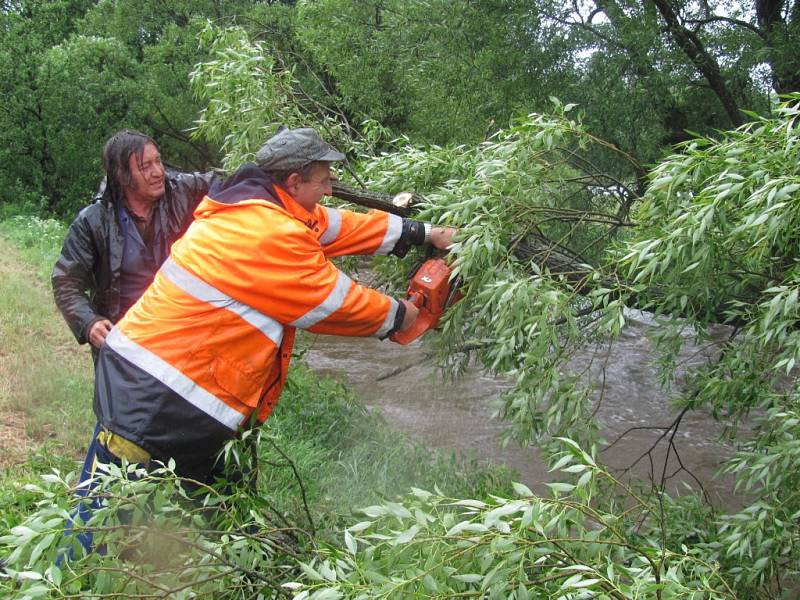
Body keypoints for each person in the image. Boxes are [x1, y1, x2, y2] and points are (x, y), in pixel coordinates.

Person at [66, 126, 455, 555]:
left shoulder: (262, 206)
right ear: (294, 181)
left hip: (172, 391)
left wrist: (423, 234)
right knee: (102, 515)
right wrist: (404, 316)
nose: (330, 188)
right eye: (324, 179)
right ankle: (62, 576)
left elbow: (340, 227)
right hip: (157, 397)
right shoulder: (270, 234)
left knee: (224, 511)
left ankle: (240, 568)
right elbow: (334, 301)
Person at [51, 129, 219, 357]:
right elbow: (66, 280)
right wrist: (89, 323)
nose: (158, 172)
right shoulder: (94, 221)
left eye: (158, 161)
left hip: (180, 332)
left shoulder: (183, 192)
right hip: (122, 339)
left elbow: (230, 184)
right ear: (121, 176)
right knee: (118, 394)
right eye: (145, 166)